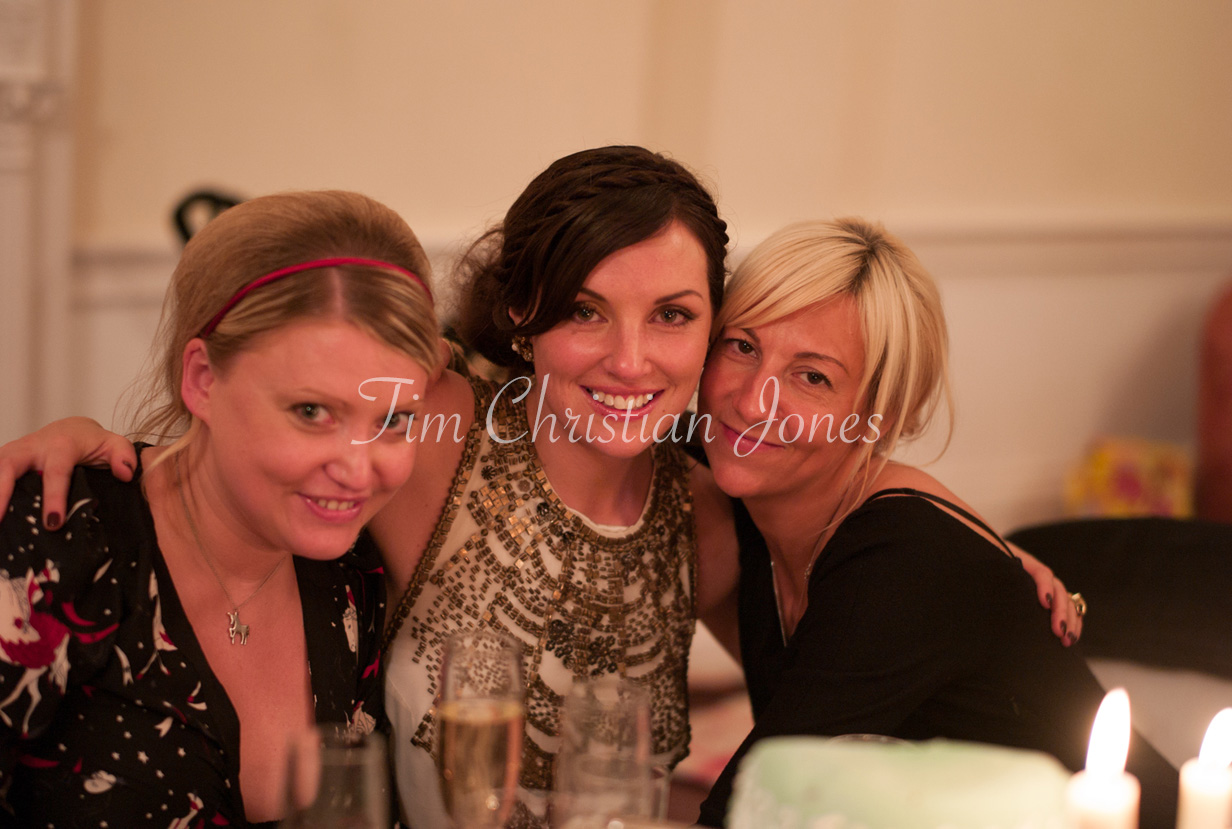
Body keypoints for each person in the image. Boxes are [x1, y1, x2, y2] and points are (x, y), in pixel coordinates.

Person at [0, 150, 1079, 828]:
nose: (630, 359)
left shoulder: (706, 513)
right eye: (584, 311)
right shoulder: (440, 429)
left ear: (706, 329)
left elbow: (843, 650)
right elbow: (284, 411)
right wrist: (99, 444)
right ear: (523, 316)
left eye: (673, 316)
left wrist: (969, 560)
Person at [693, 218, 1177, 829]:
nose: (752, 400)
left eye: (812, 377)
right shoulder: (742, 469)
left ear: (878, 415)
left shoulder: (900, 565)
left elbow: (741, 815)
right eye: (742, 346)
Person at [0, 190, 442, 826]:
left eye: (393, 420)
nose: (357, 470)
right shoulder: (55, 535)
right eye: (311, 411)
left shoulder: (352, 574)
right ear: (203, 380)